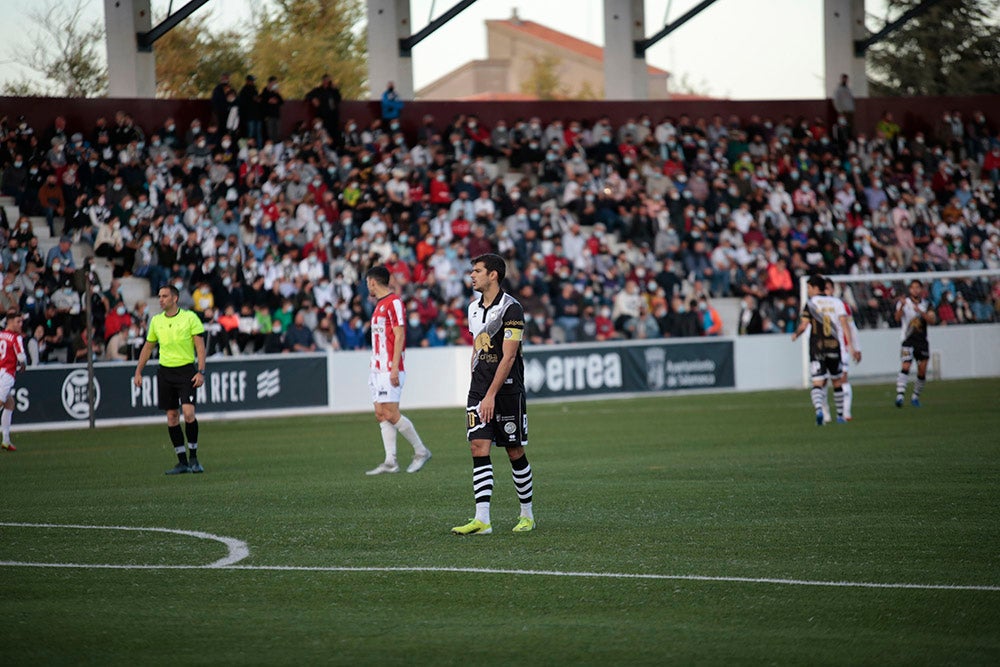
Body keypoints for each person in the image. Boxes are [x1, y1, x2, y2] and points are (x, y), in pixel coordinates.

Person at [452, 253, 535, 535]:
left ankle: (527, 515)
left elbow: (509, 357)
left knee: (514, 450)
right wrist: (476, 384)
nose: (472, 275)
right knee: (478, 446)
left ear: (493, 275)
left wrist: (491, 395)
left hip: (507, 390)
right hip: (479, 389)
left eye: (477, 271)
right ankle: (482, 520)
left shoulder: (512, 309)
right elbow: (477, 346)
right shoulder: (473, 308)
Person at [364, 266, 431, 475]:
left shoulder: (393, 302)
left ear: (373, 282)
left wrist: (394, 367)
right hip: (377, 368)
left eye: (368, 282)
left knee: (391, 413)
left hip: (389, 368)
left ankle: (421, 451)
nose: (368, 286)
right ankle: (390, 461)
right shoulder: (379, 305)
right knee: (380, 414)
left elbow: (399, 335)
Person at [133, 285, 207, 475]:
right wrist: (138, 372)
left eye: (164, 296)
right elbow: (148, 348)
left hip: (186, 372)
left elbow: (200, 346)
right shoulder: (156, 321)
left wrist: (201, 371)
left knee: (189, 414)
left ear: (175, 298)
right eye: (159, 296)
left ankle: (194, 457)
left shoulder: (190, 317)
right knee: (172, 417)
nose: (161, 299)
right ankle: (181, 461)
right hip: (166, 373)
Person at [792, 274, 856, 425]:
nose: (807, 290)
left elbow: (804, 325)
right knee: (837, 381)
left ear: (815, 288)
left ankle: (819, 410)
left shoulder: (811, 304)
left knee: (817, 383)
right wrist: (851, 346)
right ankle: (840, 415)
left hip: (817, 348)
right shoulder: (837, 303)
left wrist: (796, 334)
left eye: (809, 287)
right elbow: (844, 324)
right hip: (834, 347)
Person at [822, 278, 862, 422]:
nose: (826, 291)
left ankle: (846, 413)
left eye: (828, 288)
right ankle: (825, 413)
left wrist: (856, 348)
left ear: (833, 289)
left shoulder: (842, 305)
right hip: (821, 349)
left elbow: (851, 328)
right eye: (823, 288)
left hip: (841, 348)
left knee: (842, 378)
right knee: (823, 381)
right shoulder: (814, 305)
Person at [895, 279, 936, 408]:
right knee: (906, 365)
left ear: (921, 289)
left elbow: (932, 320)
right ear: (909, 289)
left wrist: (921, 312)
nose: (915, 290)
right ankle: (900, 395)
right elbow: (897, 318)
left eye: (917, 287)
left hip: (922, 340)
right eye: (912, 287)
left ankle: (915, 396)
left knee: (922, 370)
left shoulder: (927, 304)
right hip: (907, 339)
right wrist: (901, 306)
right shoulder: (904, 302)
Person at [0, 311, 27, 451]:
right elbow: (21, 358)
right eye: (18, 321)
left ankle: (6, 440)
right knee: (1, 402)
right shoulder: (16, 337)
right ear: (10, 322)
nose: (20, 324)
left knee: (10, 404)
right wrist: (24, 365)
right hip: (7, 374)